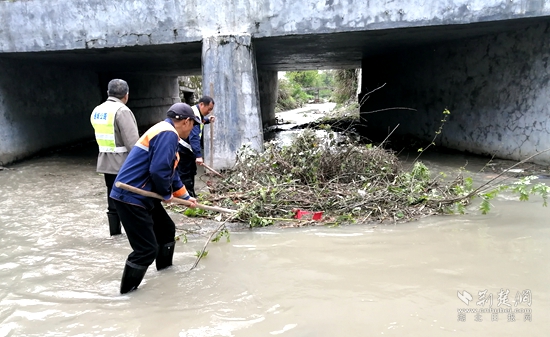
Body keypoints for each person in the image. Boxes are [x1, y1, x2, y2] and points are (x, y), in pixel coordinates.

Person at [110, 103, 200, 294]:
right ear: (186, 121)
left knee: (166, 230)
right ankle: (126, 295)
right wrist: (166, 194)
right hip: (131, 196)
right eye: (193, 125)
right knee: (146, 250)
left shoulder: (165, 131)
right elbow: (158, 171)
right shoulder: (168, 134)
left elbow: (170, 170)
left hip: (142, 197)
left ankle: (166, 274)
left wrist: (185, 196)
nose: (193, 130)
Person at [90, 79, 139, 236]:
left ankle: (114, 234)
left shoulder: (97, 110)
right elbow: (133, 143)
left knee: (112, 200)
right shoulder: (122, 111)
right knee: (129, 200)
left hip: (105, 162)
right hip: (123, 163)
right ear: (126, 95)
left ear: (108, 93)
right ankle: (133, 234)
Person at [177, 96, 216, 197]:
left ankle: (191, 195)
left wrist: (207, 120)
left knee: (191, 172)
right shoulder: (194, 115)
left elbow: (200, 122)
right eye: (209, 109)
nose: (209, 111)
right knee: (185, 174)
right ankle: (186, 197)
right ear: (202, 104)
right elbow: (194, 138)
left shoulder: (197, 112)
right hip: (184, 150)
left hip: (188, 150)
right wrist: (198, 155)